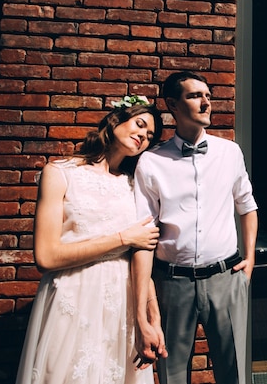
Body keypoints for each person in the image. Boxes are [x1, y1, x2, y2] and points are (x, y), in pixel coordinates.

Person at [15, 97, 168, 384]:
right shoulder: (60, 173)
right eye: (139, 124)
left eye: (149, 136)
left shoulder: (134, 186)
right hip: (73, 296)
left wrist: (150, 318)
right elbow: (46, 257)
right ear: (117, 119)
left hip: (121, 302)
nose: (143, 137)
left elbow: (142, 257)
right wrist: (122, 238)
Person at [132, 71, 259, 384]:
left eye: (208, 96)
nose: (206, 103)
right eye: (195, 96)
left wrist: (250, 258)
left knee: (236, 373)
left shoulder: (230, 152)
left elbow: (247, 206)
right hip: (172, 283)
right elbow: (143, 233)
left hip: (227, 278)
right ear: (173, 105)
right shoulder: (151, 161)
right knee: (171, 373)